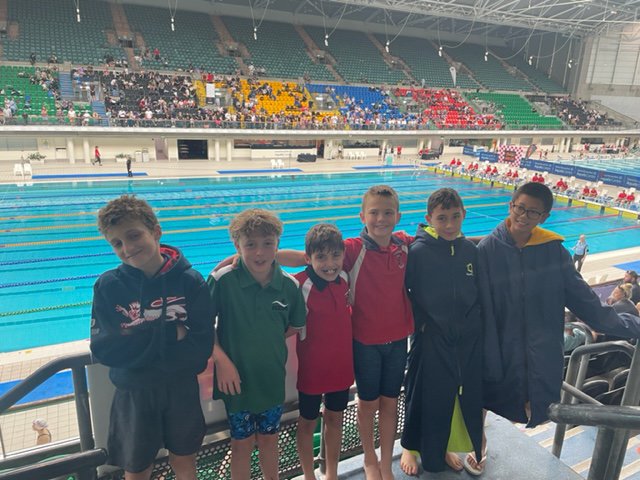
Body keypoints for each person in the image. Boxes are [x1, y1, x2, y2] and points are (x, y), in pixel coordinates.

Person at [476, 182, 640, 474]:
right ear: (510, 205)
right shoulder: (487, 249)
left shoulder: (554, 253)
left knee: (531, 404)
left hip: (539, 347)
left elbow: (588, 305)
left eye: (533, 212)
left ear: (545, 216)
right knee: (483, 393)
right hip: (498, 342)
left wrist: (633, 325)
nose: (523, 216)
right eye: (519, 208)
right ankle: (479, 439)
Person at [279, 185, 413, 480]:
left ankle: (367, 467)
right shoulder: (349, 250)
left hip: (378, 349)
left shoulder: (402, 245)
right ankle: (357, 463)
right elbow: (306, 256)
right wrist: (255, 256)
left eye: (387, 213)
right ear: (363, 216)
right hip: (352, 350)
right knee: (356, 408)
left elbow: (433, 241)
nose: (381, 219)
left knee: (380, 406)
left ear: (398, 216)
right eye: (374, 213)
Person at [90, 195, 214, 480]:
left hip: (180, 389)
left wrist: (137, 342)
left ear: (156, 232)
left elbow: (201, 349)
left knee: (184, 462)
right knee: (137, 470)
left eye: (134, 236)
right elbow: (106, 349)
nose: (127, 248)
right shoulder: (108, 286)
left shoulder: (190, 282)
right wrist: (170, 333)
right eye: (117, 243)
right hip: (135, 393)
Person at [208, 208, 306, 480]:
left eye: (267, 243)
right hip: (236, 383)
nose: (260, 252)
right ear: (236, 245)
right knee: (241, 445)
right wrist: (221, 360)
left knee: (269, 441)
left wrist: (266, 338)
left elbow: (295, 325)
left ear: (277, 244)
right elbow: (202, 327)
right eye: (250, 244)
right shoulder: (222, 281)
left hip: (271, 381)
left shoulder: (289, 286)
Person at [400, 188, 483, 475]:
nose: (449, 224)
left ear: (464, 215)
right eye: (442, 218)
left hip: (462, 339)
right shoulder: (418, 252)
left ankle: (442, 446)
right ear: (429, 219)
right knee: (420, 395)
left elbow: (478, 291)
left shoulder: (470, 250)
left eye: (455, 217)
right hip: (429, 337)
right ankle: (410, 447)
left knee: (449, 398)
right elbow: (403, 292)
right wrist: (421, 324)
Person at [294, 223, 352, 480]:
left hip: (341, 368)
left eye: (335, 255)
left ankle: (332, 474)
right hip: (312, 371)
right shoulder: (299, 284)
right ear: (308, 258)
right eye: (321, 257)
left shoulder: (345, 279)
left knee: (335, 420)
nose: (330, 264)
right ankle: (309, 475)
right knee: (307, 423)